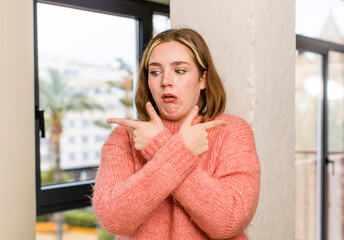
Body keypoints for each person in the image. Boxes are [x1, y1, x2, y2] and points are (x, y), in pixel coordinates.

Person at [92, 28, 260, 240]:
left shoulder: (231, 131)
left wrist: (159, 146)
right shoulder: (125, 136)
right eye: (155, 72)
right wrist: (181, 151)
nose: (165, 81)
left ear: (202, 80)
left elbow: (230, 220)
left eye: (179, 71)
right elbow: (113, 219)